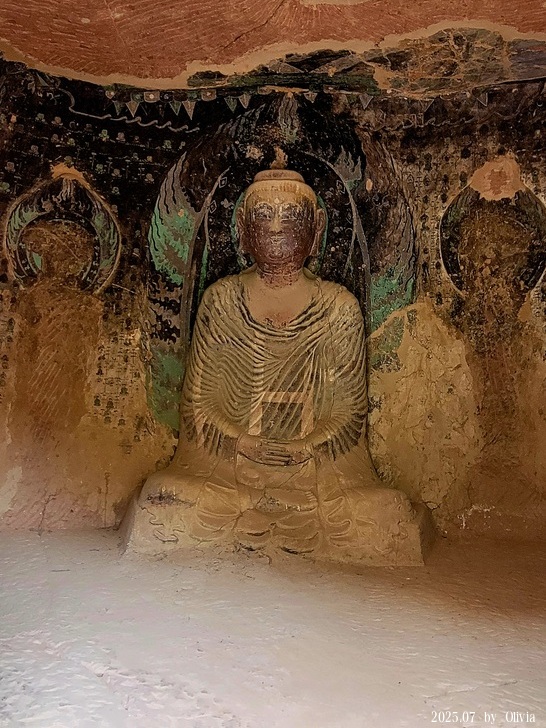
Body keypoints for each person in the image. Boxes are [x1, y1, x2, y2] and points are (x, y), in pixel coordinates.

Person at [126, 169, 431, 563]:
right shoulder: (221, 301)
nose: (275, 227)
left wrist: (307, 446)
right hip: (229, 464)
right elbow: (199, 405)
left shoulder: (338, 308)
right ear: (243, 228)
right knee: (165, 494)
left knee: (383, 507)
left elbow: (349, 411)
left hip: (315, 467)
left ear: (315, 230)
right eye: (263, 214)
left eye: (291, 216)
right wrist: (240, 441)